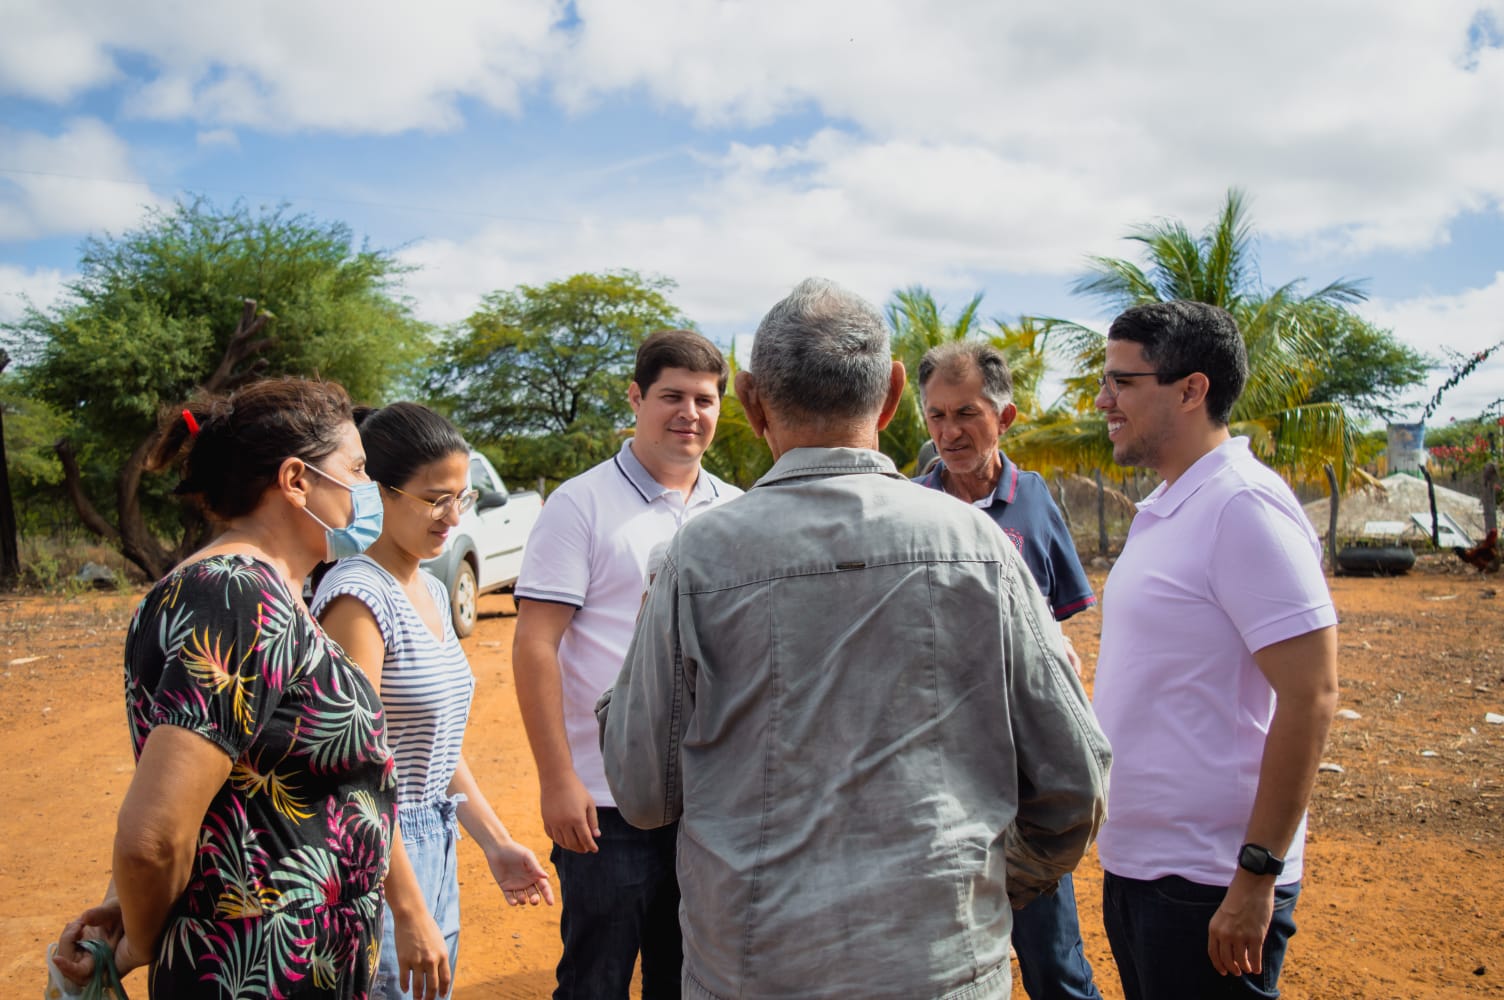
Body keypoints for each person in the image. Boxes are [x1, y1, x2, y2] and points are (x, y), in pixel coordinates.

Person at [598, 278, 1111, 1000]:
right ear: (897, 393)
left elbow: (644, 792)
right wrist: (986, 885)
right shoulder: (978, 545)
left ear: (748, 401)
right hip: (941, 966)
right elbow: (1076, 780)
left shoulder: (698, 559)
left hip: (751, 968)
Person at [52, 377, 397, 998]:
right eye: (357, 469)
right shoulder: (237, 596)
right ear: (296, 481)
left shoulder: (266, 593)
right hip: (254, 970)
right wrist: (140, 937)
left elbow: (212, 791)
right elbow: (154, 835)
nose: (368, 490)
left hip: (299, 959)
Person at [1091, 301, 1339, 999]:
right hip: (1144, 866)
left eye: (1123, 382)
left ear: (1191, 389)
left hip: (1209, 883)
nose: (1103, 401)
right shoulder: (1171, 507)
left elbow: (1312, 693)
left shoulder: (1242, 507)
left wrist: (1256, 875)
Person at [511, 329, 742, 999]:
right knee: (596, 981)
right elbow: (534, 646)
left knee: (689, 980)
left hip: (707, 800)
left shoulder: (735, 511)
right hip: (605, 802)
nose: (689, 414)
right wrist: (558, 779)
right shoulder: (579, 506)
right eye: (672, 396)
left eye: (705, 399)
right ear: (636, 398)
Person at [313, 402, 554, 1000]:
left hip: (432, 847)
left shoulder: (429, 585)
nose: (451, 518)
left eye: (462, 498)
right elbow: (355, 768)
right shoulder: (358, 598)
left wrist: (494, 842)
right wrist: (407, 906)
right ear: (380, 492)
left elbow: (435, 748)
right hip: (377, 861)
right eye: (434, 498)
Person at [913, 340, 1100, 1000]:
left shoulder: (1035, 499)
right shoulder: (910, 507)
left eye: (967, 413)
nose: (950, 432)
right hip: (936, 766)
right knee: (942, 957)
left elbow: (1061, 613)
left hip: (1025, 766)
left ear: (1006, 416)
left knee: (1053, 956)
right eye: (935, 417)